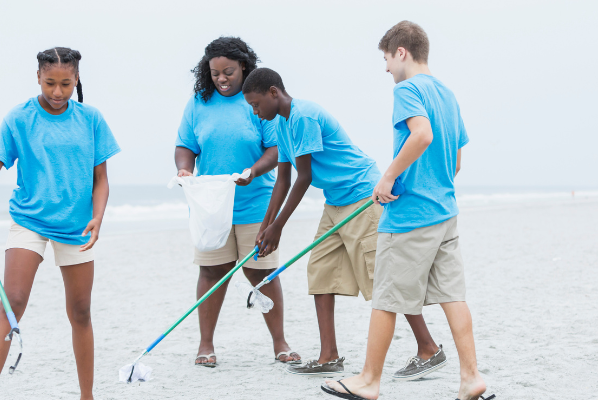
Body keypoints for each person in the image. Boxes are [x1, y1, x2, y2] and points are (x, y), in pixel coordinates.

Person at [321, 21, 493, 400]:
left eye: (385, 58)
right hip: (445, 212)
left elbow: (422, 135)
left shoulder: (408, 89)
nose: (385, 69)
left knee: (386, 299)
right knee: (453, 296)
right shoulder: (447, 94)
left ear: (401, 52)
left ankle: (368, 380)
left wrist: (387, 179)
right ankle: (471, 377)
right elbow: (456, 162)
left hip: (410, 216)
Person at [242, 67, 443, 377]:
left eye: (256, 104)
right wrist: (264, 228)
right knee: (320, 271)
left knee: (382, 277)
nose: (255, 113)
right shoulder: (281, 125)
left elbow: (304, 177)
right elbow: (283, 179)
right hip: (335, 201)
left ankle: (428, 347)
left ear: (273, 92)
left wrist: (278, 228)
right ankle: (328, 356)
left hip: (362, 197)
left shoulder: (303, 116)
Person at [0, 47, 120, 400]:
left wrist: (98, 217)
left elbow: (101, 180)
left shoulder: (91, 119)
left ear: (77, 79)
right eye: (50, 83)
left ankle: (87, 395)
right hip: (29, 219)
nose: (58, 92)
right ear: (38, 77)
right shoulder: (19, 118)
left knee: (80, 311)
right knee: (12, 300)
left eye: (66, 83)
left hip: (77, 226)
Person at [175, 37, 300, 366]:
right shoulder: (199, 102)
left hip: (255, 202)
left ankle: (280, 343)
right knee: (211, 271)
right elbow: (185, 145)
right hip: (212, 206)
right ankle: (206, 345)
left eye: (228, 71)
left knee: (262, 273)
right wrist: (184, 169)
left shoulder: (255, 100)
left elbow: (276, 150)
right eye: (215, 73)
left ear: (244, 66)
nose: (221, 79)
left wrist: (252, 171)